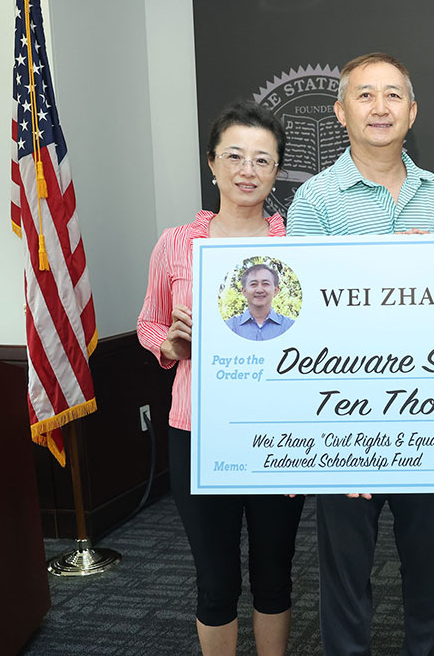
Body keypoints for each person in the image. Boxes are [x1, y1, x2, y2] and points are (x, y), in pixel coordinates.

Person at [287, 52, 434, 656]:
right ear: (341, 112)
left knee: (430, 573)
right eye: (365, 95)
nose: (380, 107)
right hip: (345, 417)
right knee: (343, 576)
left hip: (428, 413)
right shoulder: (313, 202)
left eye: (394, 95)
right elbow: (307, 321)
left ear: (412, 112)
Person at [137, 100, 305, 656]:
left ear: (276, 171)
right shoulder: (177, 244)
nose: (246, 170)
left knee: (274, 573)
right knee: (215, 580)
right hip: (198, 432)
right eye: (234, 156)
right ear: (212, 164)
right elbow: (148, 320)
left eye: (262, 159)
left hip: (278, 436)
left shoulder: (298, 251)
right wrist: (169, 344)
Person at [225, 263, 295, 340]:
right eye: (253, 284)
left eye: (265, 284)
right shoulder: (230, 327)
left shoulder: (290, 327)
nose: (259, 290)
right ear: (244, 291)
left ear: (275, 290)